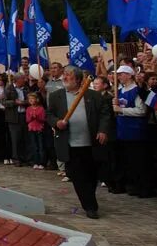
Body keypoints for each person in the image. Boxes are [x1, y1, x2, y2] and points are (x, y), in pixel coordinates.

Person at [47, 65, 114, 219]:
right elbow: (49, 114)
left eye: (68, 75)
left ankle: (89, 198)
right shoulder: (56, 96)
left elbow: (105, 114)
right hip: (70, 143)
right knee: (77, 176)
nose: (64, 77)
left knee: (91, 175)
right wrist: (57, 122)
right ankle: (90, 206)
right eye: (64, 75)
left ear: (78, 79)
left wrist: (103, 130)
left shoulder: (93, 96)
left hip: (90, 143)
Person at [110, 64, 149, 196]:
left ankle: (142, 187)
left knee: (138, 161)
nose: (119, 77)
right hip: (123, 130)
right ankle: (129, 185)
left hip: (135, 131)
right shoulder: (120, 90)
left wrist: (122, 110)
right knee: (126, 161)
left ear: (129, 75)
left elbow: (142, 110)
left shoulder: (136, 91)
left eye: (121, 74)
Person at [26, 92, 47, 169]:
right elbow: (27, 120)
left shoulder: (41, 108)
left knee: (41, 146)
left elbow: (43, 119)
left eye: (32, 99)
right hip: (31, 128)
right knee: (34, 146)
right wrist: (32, 117)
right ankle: (35, 162)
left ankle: (42, 162)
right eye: (30, 99)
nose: (31, 100)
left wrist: (36, 117)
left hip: (39, 128)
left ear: (37, 99)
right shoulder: (28, 109)